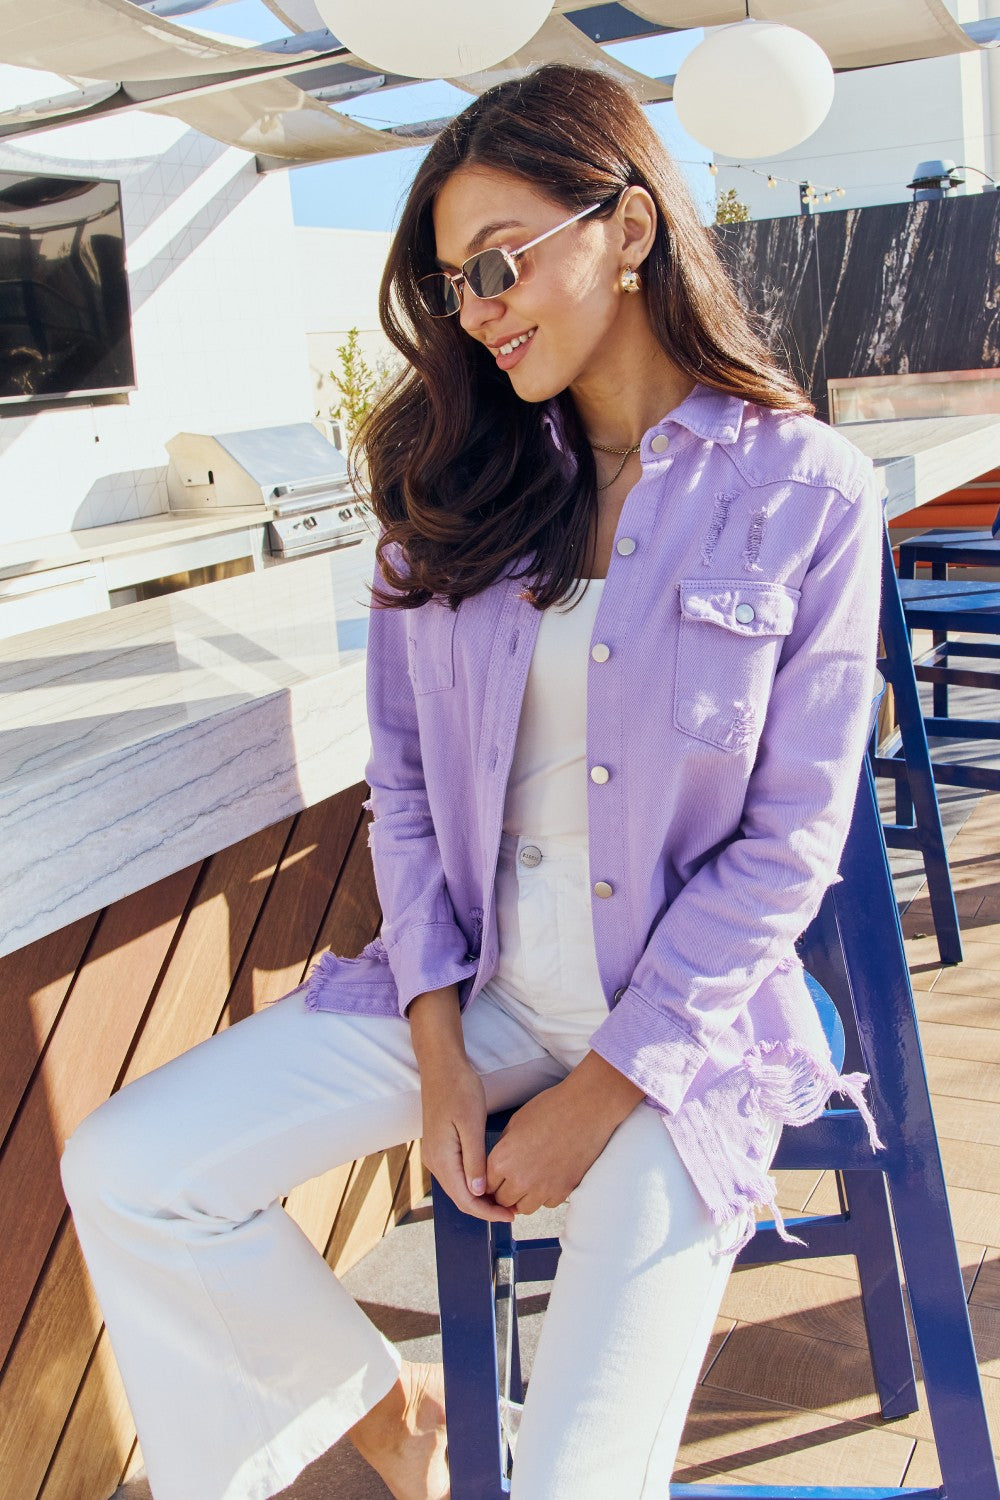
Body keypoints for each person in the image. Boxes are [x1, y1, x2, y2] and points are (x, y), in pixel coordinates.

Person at [61, 62, 883, 1500]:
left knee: (574, 1478)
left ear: (626, 229)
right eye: (454, 285)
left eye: (498, 265)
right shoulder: (452, 497)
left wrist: (607, 1088)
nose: (479, 308)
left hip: (679, 1037)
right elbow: (413, 803)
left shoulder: (804, 488)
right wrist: (441, 1044)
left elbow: (790, 841)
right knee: (135, 1170)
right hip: (484, 989)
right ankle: (388, 1419)